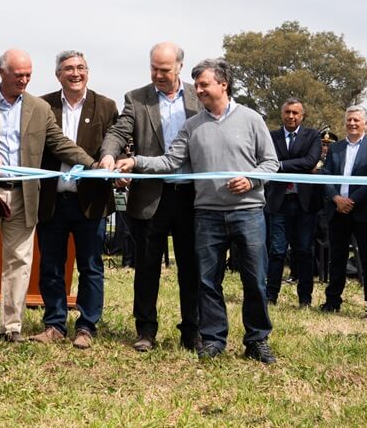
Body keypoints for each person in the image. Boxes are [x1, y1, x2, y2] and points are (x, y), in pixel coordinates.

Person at [116, 58, 279, 364]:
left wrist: (251, 178)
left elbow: (271, 163)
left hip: (248, 212)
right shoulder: (192, 127)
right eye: (198, 85)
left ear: (223, 84)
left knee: (254, 278)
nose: (199, 91)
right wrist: (135, 162)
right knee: (207, 281)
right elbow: (169, 162)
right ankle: (214, 338)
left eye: (204, 84)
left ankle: (257, 340)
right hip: (207, 214)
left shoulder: (252, 119)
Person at [0, 49, 97, 343]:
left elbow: (59, 143)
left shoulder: (39, 108)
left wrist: (93, 164)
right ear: (2, 73)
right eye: (18, 75)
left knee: (19, 262)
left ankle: (11, 328)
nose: (24, 80)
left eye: (28, 75)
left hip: (24, 195)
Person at [99, 42, 201, 352]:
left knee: (192, 266)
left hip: (191, 195)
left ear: (180, 68)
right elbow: (119, 132)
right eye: (154, 68)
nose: (158, 74)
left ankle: (192, 331)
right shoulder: (137, 98)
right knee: (146, 266)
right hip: (150, 196)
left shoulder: (199, 98)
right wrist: (107, 155)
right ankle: (145, 330)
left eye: (165, 69)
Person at [29, 50, 118, 350]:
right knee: (51, 265)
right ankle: (54, 323)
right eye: (68, 68)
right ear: (58, 75)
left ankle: (86, 326)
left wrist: (116, 165)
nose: (75, 73)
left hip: (91, 202)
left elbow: (115, 145)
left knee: (91, 266)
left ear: (88, 72)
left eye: (81, 67)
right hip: (52, 200)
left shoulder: (106, 106)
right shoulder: (42, 105)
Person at [320, 106, 367, 316]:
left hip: (363, 211)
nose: (352, 123)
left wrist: (351, 200)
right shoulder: (335, 148)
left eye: (356, 120)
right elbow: (325, 176)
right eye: (349, 120)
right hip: (337, 211)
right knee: (336, 257)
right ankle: (332, 301)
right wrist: (336, 198)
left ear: (365, 123)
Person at [265, 99, 322, 308]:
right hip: (279, 202)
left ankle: (305, 299)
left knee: (304, 251)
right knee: (277, 251)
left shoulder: (313, 136)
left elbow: (311, 161)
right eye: (287, 112)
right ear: (282, 114)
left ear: (302, 115)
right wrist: (286, 165)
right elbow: (267, 163)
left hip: (305, 203)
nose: (291, 116)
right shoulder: (271, 137)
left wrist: (280, 164)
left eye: (295, 113)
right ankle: (270, 296)